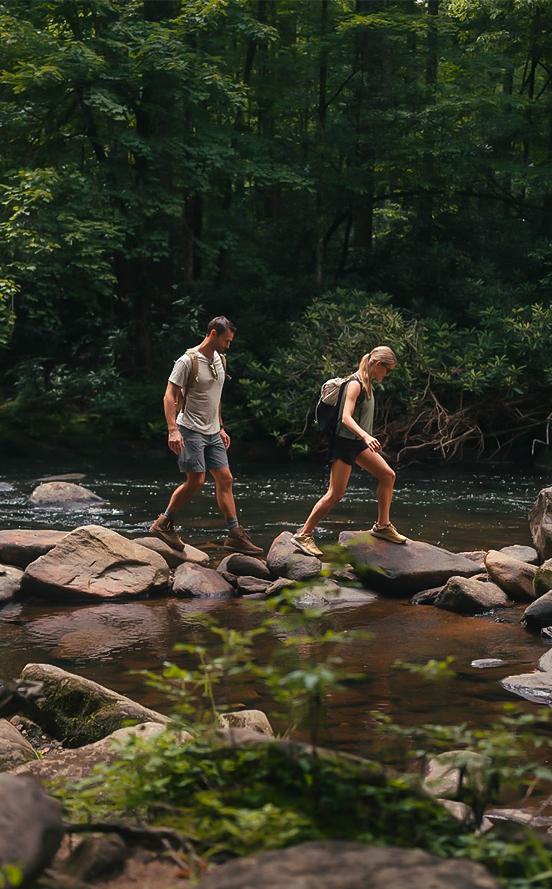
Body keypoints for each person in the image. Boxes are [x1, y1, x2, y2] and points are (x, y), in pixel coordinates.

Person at [150, 316, 263, 555]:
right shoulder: (187, 361)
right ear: (213, 334)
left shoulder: (221, 360)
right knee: (196, 481)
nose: (228, 346)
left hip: (213, 431)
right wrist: (172, 430)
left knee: (226, 479)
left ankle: (235, 535)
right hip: (189, 429)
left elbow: (215, 395)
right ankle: (163, 523)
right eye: (226, 341)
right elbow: (169, 395)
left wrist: (220, 426)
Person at [290, 346, 406, 557]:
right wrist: (366, 436)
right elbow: (345, 417)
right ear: (377, 364)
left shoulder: (368, 384)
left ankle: (382, 526)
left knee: (388, 475)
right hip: (344, 444)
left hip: (358, 444)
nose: (388, 375)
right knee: (336, 494)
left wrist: (364, 439)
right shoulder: (355, 384)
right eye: (387, 370)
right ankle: (303, 534)